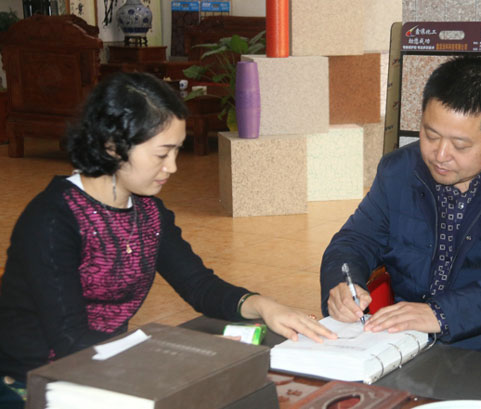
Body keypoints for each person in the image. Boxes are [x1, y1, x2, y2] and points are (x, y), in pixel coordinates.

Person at [0, 72, 335, 407]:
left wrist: (265, 306)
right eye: (162, 154)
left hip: (102, 368)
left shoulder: (148, 213)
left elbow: (199, 286)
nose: (173, 167)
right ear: (113, 146)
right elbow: (71, 340)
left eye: (176, 151)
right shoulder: (53, 219)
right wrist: (172, 362)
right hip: (34, 385)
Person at [320, 56, 481, 359]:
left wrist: (441, 314)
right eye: (431, 135)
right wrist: (343, 284)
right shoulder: (398, 170)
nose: (440, 155)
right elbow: (354, 241)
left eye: (460, 145)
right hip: (414, 350)